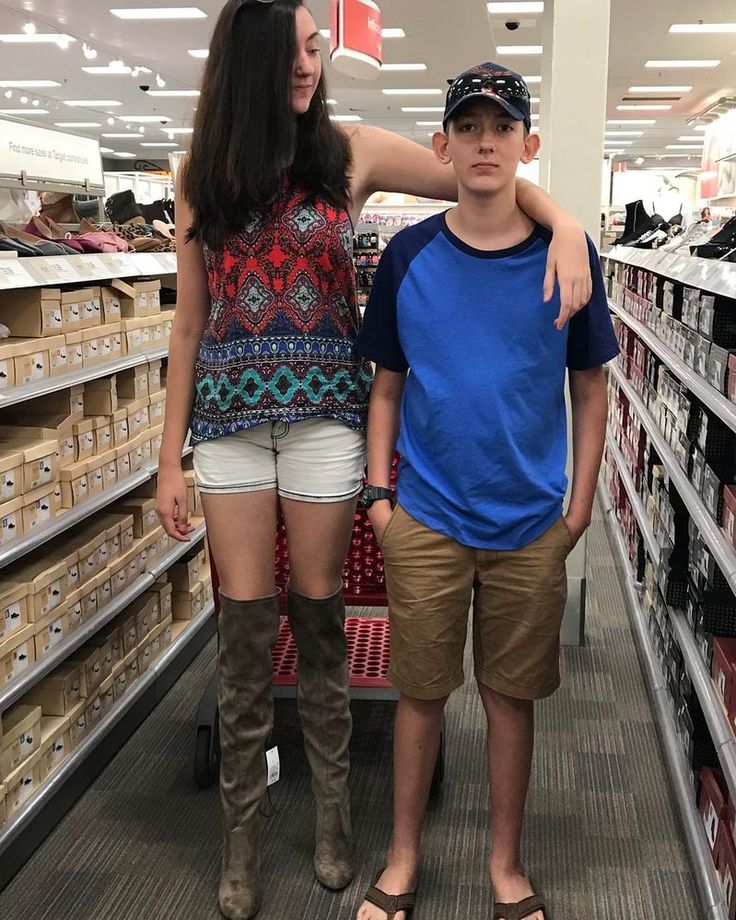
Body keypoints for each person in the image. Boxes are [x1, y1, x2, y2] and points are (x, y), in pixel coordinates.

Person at [155, 1, 594, 916]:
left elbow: (478, 170)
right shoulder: (201, 173)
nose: (308, 65)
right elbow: (189, 323)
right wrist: (169, 459)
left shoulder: (346, 151)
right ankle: (240, 845)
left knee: (319, 623)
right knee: (244, 635)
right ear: (246, 60)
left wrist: (561, 222)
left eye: (314, 48)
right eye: (290, 51)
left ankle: (331, 826)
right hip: (230, 424)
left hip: (327, 417)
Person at [355, 63, 619, 920]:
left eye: (501, 128)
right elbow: (386, 387)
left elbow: (590, 390)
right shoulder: (408, 257)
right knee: (420, 695)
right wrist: (379, 501)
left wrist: (579, 509)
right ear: (441, 146)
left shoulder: (567, 259)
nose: (484, 143)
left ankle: (506, 864)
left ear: (527, 145)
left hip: (531, 521)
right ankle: (402, 859)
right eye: (467, 127)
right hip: (427, 517)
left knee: (510, 698)